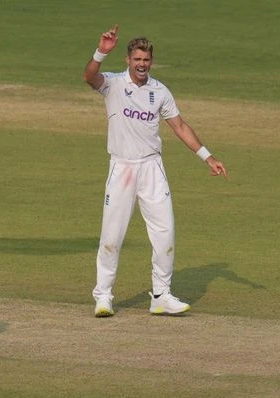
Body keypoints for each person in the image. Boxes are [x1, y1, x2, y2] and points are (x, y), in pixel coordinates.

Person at [82, 24, 228, 317]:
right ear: (128, 60)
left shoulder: (159, 91)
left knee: (165, 232)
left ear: (151, 61)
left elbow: (180, 126)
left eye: (146, 60)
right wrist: (101, 51)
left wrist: (207, 156)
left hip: (151, 168)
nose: (142, 64)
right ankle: (104, 296)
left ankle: (161, 295)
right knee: (112, 235)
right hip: (122, 167)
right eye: (137, 59)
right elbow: (89, 76)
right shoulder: (113, 84)